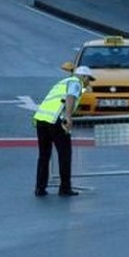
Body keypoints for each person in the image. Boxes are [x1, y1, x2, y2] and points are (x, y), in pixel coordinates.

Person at [32, 65, 95, 197]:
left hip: (41, 119)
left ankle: (40, 188)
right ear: (83, 76)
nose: (89, 82)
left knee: (44, 156)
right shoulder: (76, 83)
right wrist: (68, 117)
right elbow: (70, 97)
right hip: (56, 120)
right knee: (64, 154)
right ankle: (65, 188)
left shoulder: (63, 82)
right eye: (89, 79)